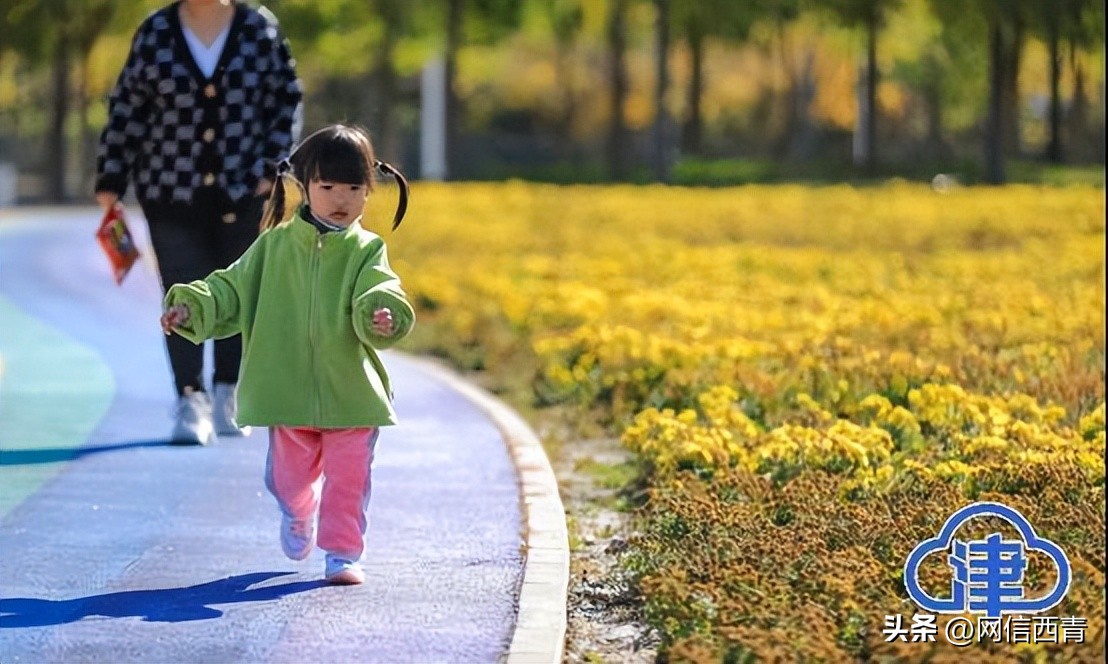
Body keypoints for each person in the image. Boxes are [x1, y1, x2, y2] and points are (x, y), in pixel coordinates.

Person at [160, 124, 414, 584]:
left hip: (350, 394)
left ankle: (341, 553)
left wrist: (382, 314)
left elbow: (382, 290)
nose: (342, 198)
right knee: (289, 482)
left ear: (369, 190)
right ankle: (299, 512)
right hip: (287, 393)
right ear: (302, 185)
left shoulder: (366, 250)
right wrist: (191, 306)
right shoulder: (273, 247)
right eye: (328, 186)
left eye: (355, 188)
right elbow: (229, 289)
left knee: (349, 478)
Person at [95, 0, 303, 445]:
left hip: (246, 190)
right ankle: (190, 397)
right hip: (170, 190)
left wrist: (274, 165)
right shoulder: (155, 32)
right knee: (183, 286)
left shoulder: (258, 29)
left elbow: (286, 99)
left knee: (237, 290)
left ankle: (228, 390)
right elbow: (127, 107)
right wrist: (112, 173)